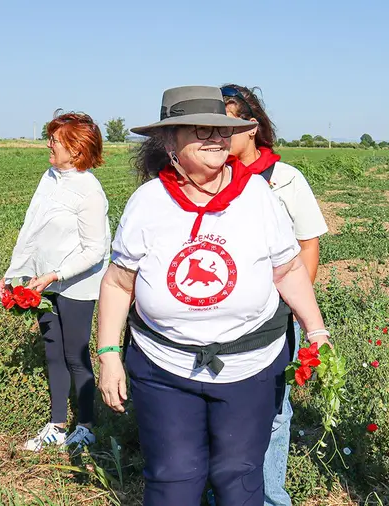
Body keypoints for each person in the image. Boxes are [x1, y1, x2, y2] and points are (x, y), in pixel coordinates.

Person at [94, 86, 331, 505]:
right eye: (201, 131)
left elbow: (290, 269)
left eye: (222, 131)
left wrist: (317, 333)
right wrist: (109, 353)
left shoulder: (258, 195)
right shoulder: (147, 202)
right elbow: (117, 283)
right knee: (173, 479)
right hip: (163, 365)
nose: (216, 140)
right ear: (169, 142)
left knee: (238, 476)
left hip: (251, 366)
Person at [221, 83, 329, 506]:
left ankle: (270, 496)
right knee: (225, 409)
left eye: (229, 125)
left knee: (274, 412)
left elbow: (308, 244)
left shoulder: (284, 180)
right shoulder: (210, 179)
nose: (219, 135)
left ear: (252, 127)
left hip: (276, 317)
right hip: (224, 320)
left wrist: (296, 308)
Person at [0, 112, 110, 451]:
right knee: (52, 353)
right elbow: (31, 229)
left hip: (75, 285)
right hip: (42, 284)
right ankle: (57, 425)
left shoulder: (89, 191)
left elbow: (95, 250)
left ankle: (86, 427)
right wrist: (14, 273)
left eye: (56, 140)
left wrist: (55, 274)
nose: (49, 144)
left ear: (76, 150)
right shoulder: (49, 178)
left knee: (76, 355)